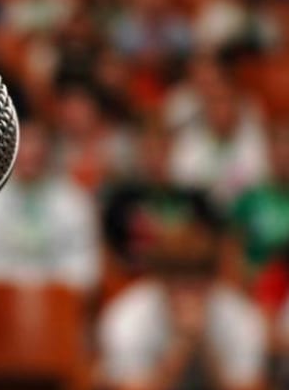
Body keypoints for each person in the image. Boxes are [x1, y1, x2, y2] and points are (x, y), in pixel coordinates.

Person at [98, 219, 267, 390]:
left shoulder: (240, 316)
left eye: (198, 286)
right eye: (177, 286)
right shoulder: (128, 317)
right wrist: (181, 346)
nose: (188, 297)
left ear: (213, 281)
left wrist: (205, 347)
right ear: (159, 281)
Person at [0, 120, 100, 294]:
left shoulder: (74, 201)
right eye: (24, 141)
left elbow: (85, 269)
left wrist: (40, 288)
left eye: (36, 142)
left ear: (49, 148)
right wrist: (17, 287)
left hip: (57, 305)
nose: (29, 151)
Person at [103, 123, 221, 277]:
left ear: (171, 150)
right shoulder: (121, 200)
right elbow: (110, 253)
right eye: (148, 149)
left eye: (160, 149)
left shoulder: (195, 199)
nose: (154, 158)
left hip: (186, 281)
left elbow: (214, 247)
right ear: (138, 153)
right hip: (135, 278)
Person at [170, 78, 269, 208]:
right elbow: (183, 181)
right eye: (214, 103)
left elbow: (260, 181)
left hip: (247, 212)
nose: (220, 110)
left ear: (237, 107)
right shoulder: (189, 142)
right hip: (202, 213)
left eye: (226, 102)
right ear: (205, 109)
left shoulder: (256, 140)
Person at [230, 124, 289, 314]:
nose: (284, 154)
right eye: (278, 146)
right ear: (269, 151)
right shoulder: (250, 199)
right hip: (254, 288)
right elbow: (230, 250)